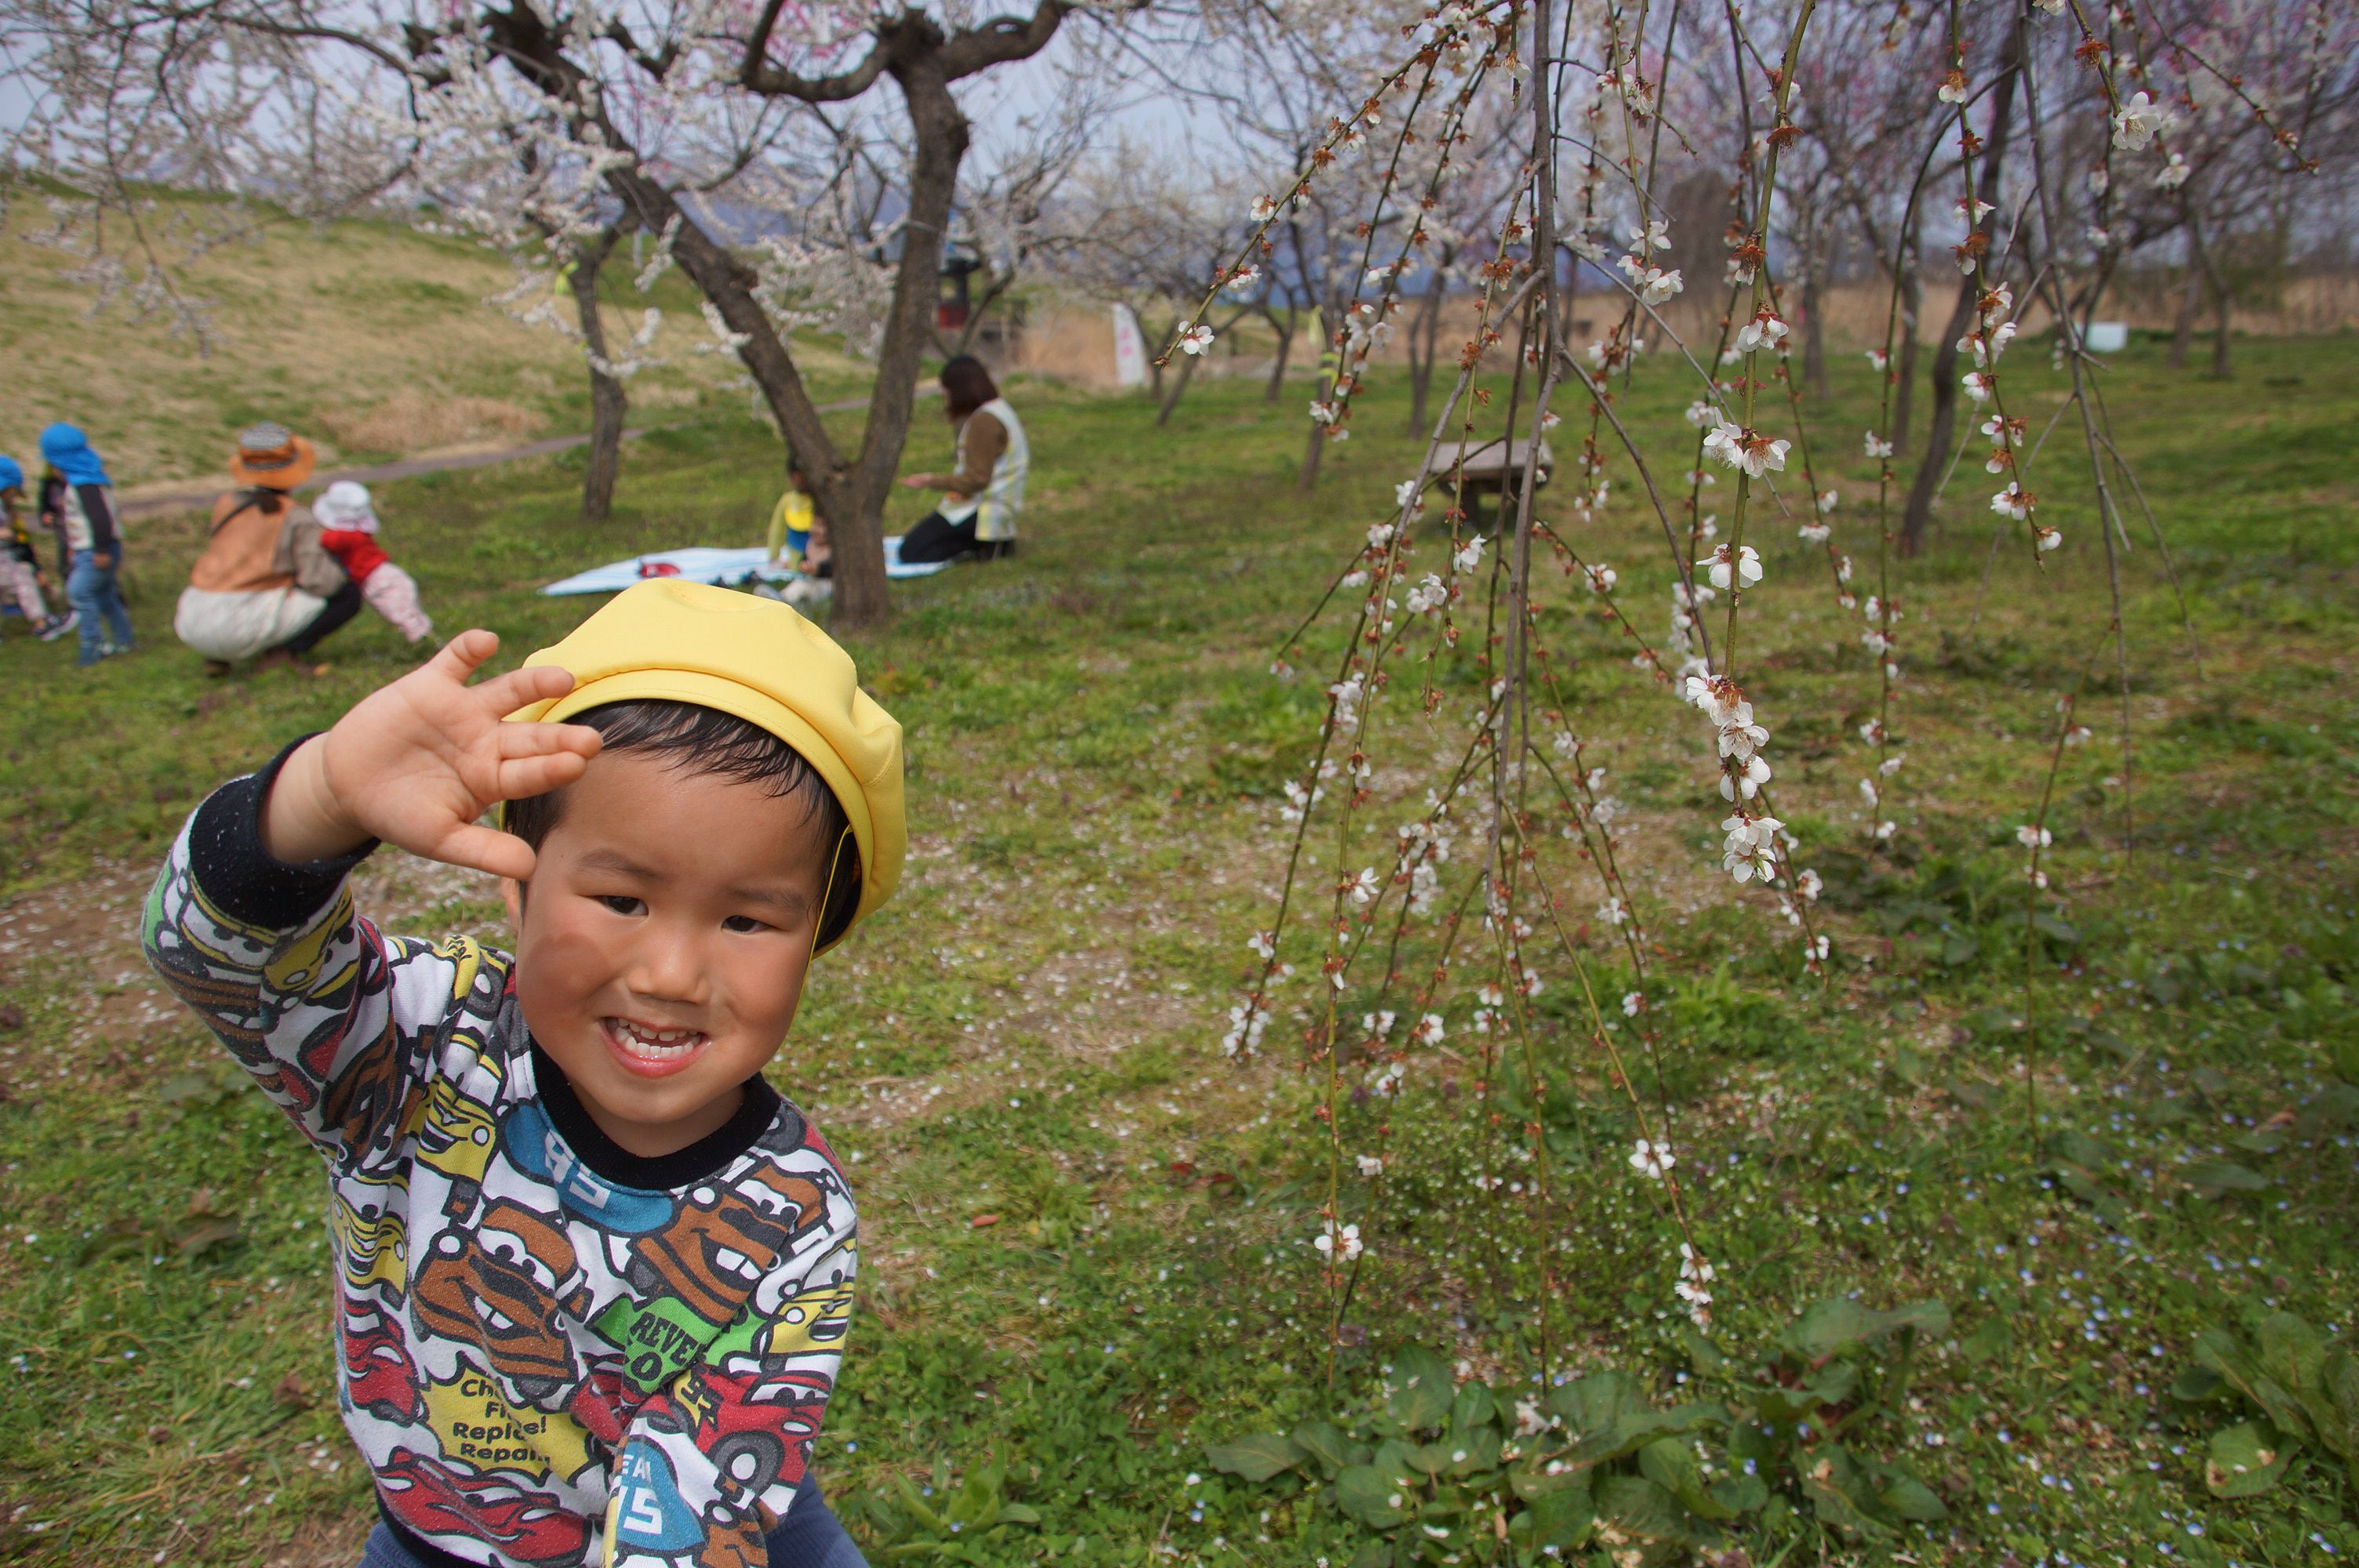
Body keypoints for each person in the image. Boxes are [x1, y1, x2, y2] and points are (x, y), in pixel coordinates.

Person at [142, 580, 900, 1568]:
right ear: (517, 882)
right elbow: (221, 958)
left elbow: (693, 1511)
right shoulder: (417, 1050)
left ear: (815, 940)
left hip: (718, 1506)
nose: (670, 974)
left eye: (746, 920)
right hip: (436, 1538)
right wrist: (319, 797)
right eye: (621, 897)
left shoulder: (795, 1213)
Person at [173, 423, 359, 676]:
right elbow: (321, 582)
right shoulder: (294, 516)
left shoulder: (226, 503)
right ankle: (282, 654)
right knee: (347, 595)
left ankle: (216, 657)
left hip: (192, 618)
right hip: (237, 625)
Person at [895, 355, 1028, 564]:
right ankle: (990, 545)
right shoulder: (999, 409)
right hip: (998, 506)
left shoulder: (984, 422)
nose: (945, 397)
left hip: (986, 509)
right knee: (917, 544)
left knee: (912, 551)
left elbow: (977, 479)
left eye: (947, 391)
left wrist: (931, 481)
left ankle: (983, 545)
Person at [37, 423, 136, 666]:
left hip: (97, 550)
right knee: (104, 595)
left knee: (79, 593)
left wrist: (101, 549)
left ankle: (92, 645)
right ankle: (125, 640)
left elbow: (100, 519)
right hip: (90, 549)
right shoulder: (87, 481)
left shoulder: (85, 485)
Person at [314, 480, 436, 645]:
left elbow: (327, 540)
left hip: (377, 578)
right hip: (386, 572)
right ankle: (427, 638)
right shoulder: (360, 531)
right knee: (407, 608)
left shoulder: (349, 536)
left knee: (397, 610)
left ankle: (422, 642)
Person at [0, 456, 75, 641]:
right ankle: (41, 622)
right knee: (22, 579)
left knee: (22, 575)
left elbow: (22, 543)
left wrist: (38, 572)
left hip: (6, 559)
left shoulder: (10, 514)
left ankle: (41, 619)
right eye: (13, 492)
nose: (14, 498)